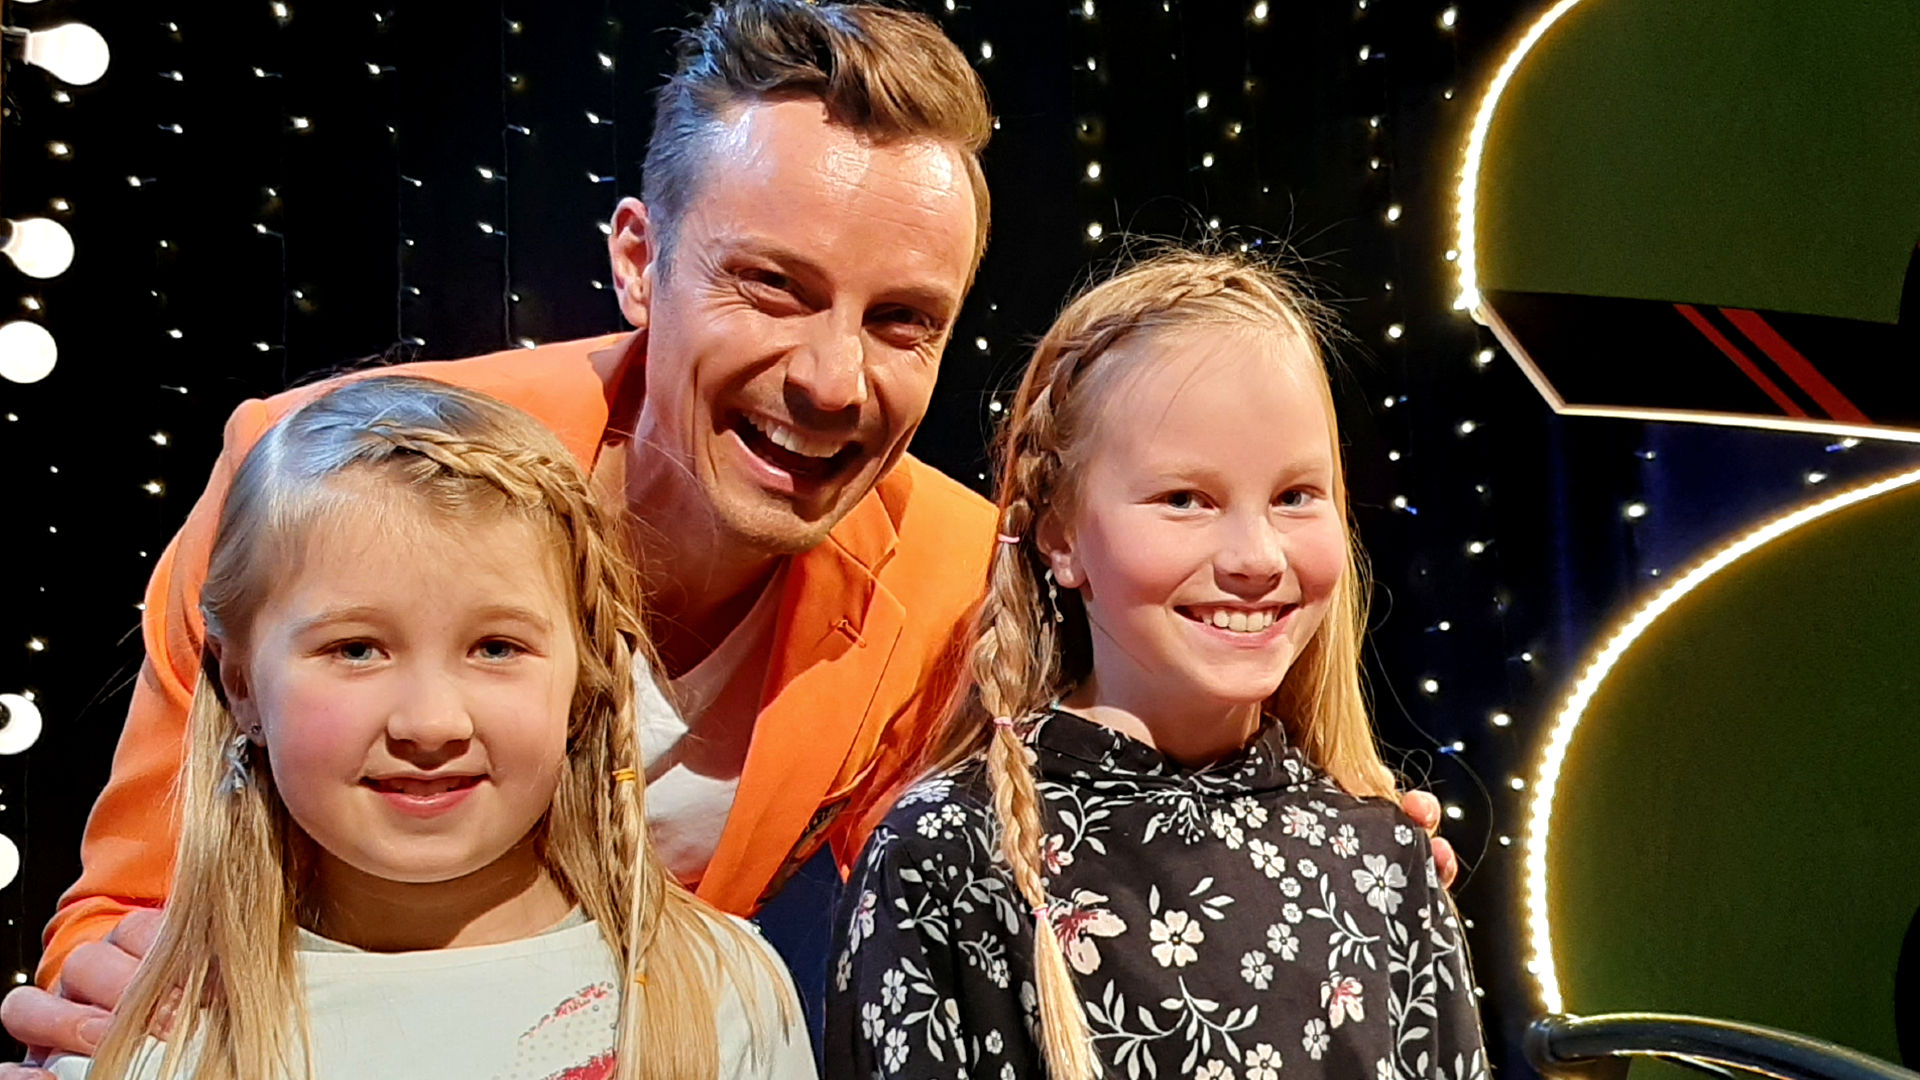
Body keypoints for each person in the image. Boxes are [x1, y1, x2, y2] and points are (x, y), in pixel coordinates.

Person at [1, 0, 1455, 1066]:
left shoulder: (956, 580)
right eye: (773, 286)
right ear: (640, 261)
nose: (832, 378)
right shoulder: (318, 479)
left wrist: (1328, 847)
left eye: (902, 321)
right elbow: (120, 921)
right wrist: (157, 1014)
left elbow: (1046, 842)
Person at [827, 250, 1489, 1079]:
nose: (1256, 557)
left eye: (1295, 496)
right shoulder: (948, 852)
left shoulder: (1382, 856)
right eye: (1185, 500)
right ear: (1061, 535)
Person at [49, 376, 811, 1079]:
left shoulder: (719, 996)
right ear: (241, 682)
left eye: (496, 648)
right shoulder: (154, 1034)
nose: (430, 723)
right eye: (356, 650)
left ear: (584, 678)